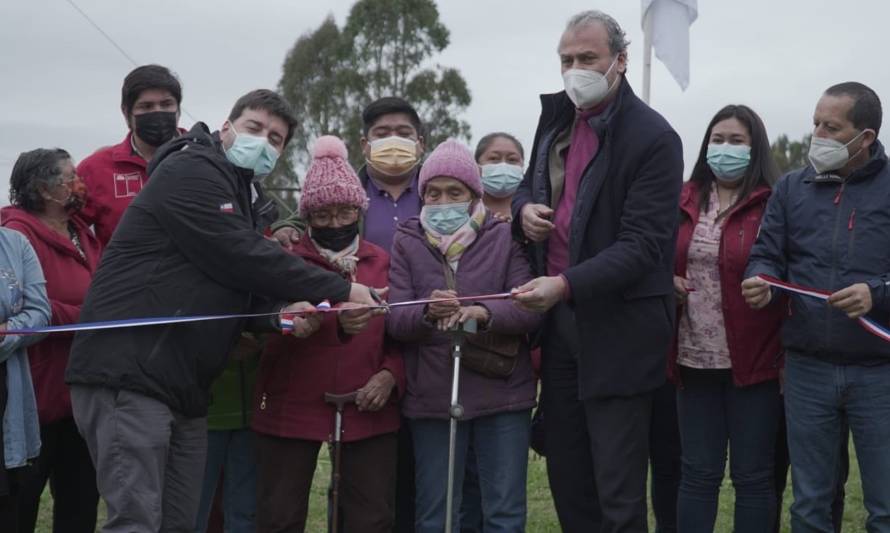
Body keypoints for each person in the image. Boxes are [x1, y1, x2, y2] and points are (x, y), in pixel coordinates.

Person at [65, 89, 380, 533]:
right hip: (129, 373)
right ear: (226, 128)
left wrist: (281, 316)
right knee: (136, 520)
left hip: (186, 386)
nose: (264, 142)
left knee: (180, 523)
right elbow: (240, 254)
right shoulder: (192, 169)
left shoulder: (246, 199)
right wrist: (342, 286)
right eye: (255, 128)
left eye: (276, 139)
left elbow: (237, 283)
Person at [511, 10, 683, 532]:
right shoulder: (558, 117)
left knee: (618, 488)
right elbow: (526, 185)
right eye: (566, 60)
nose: (575, 70)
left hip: (620, 332)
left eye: (588, 58)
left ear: (621, 61)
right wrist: (524, 211)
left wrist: (564, 284)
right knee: (568, 476)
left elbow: (644, 245)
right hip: (561, 331)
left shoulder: (654, 137)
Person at [743, 82, 890, 532]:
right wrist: (760, 280)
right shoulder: (791, 187)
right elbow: (767, 253)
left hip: (879, 372)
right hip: (808, 369)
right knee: (809, 505)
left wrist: (877, 292)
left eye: (831, 127)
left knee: (885, 507)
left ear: (864, 137)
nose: (818, 136)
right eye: (815, 124)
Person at [252, 135, 404, 532]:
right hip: (290, 402)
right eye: (322, 215)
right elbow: (258, 322)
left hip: (366, 402)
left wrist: (391, 375)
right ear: (305, 216)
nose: (336, 223)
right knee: (279, 515)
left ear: (359, 208)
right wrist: (292, 323)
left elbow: (404, 329)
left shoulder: (384, 260)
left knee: (369, 517)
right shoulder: (282, 260)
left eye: (345, 211)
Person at [387, 139, 540, 532]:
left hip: (503, 392)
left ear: (474, 193)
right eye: (433, 193)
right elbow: (395, 318)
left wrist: (483, 313)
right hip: (433, 394)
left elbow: (526, 306)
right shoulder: (406, 240)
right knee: (436, 515)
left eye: (454, 192)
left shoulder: (505, 238)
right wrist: (425, 312)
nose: (442, 201)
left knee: (503, 514)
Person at [669, 105, 784, 532]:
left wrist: (770, 282)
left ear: (754, 150)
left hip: (754, 362)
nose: (725, 149)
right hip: (692, 359)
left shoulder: (774, 203)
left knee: (753, 477)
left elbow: (787, 267)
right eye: (718, 139)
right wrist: (667, 280)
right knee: (698, 474)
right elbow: (655, 256)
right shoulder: (681, 198)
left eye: (736, 141)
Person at [2, 149, 101, 533]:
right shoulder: (16, 235)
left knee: (80, 504)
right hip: (36, 394)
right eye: (70, 176)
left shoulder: (82, 231)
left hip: (83, 393)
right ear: (44, 189)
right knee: (21, 504)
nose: (80, 184)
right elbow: (28, 307)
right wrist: (91, 319)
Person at [459, 132, 527, 533]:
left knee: (502, 502)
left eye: (512, 158)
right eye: (493, 157)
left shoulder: (535, 217)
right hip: (454, 369)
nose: (503, 164)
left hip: (510, 370)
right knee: (466, 496)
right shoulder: (452, 217)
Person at [272, 96, 425, 253]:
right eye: (382, 134)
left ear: (421, 144)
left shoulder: (440, 191)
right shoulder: (343, 191)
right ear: (365, 145)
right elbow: (306, 215)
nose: (393, 140)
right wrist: (287, 228)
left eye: (404, 133)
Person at [77, 64, 184, 245]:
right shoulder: (94, 169)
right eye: (146, 106)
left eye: (166, 104)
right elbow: (67, 231)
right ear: (126, 113)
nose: (157, 112)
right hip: (125, 272)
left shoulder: (208, 158)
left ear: (178, 109)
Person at [0, 225, 50, 530]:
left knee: (7, 507)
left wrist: (6, 333)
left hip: (7, 393)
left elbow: (40, 312)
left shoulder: (16, 244)